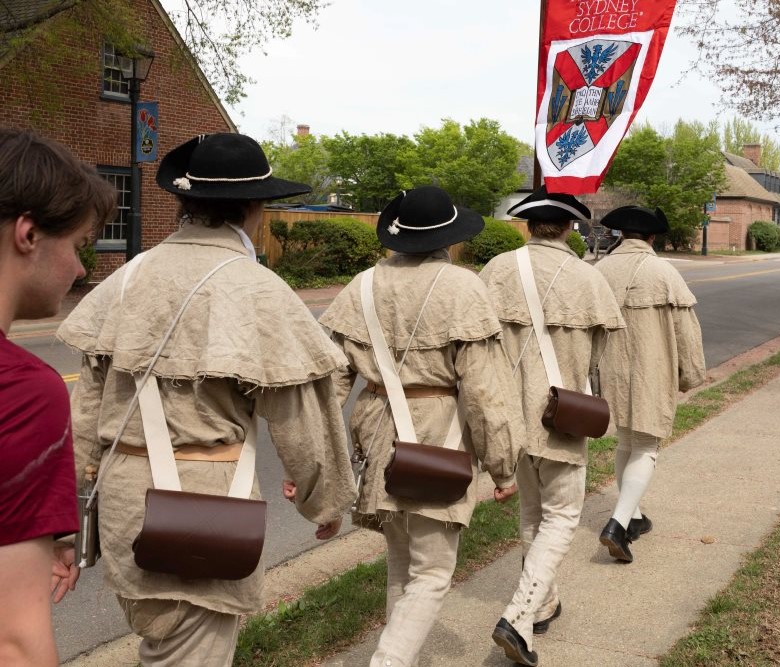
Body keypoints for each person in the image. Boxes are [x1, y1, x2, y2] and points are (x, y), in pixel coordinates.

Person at [56, 133, 356, 666]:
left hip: (126, 506)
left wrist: (72, 518)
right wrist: (325, 501)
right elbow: (303, 421)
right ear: (254, 209)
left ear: (183, 203)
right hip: (205, 513)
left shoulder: (126, 280)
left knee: (162, 647)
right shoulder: (257, 288)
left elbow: (87, 415)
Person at [319, 185, 524, 667]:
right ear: (449, 238)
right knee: (432, 572)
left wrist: (324, 456)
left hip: (376, 429)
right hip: (439, 433)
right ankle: (388, 662)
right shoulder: (463, 287)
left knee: (400, 562)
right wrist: (503, 466)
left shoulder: (362, 285)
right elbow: (484, 392)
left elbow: (332, 382)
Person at [480, 185, 624, 667]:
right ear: (570, 228)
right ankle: (518, 617)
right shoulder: (587, 278)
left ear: (527, 224)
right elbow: (599, 353)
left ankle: (541, 604)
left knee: (532, 515)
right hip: (561, 414)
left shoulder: (496, 270)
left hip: (509, 413)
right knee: (562, 516)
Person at [0, 128, 115, 667]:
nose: (80, 269)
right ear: (28, 234)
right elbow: (14, 639)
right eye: (76, 245)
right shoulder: (23, 391)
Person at [593, 206, 707, 563]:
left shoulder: (599, 271)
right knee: (646, 446)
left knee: (626, 440)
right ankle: (617, 524)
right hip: (650, 371)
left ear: (620, 235)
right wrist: (690, 374)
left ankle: (635, 518)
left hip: (608, 369)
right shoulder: (663, 271)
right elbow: (686, 332)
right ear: (652, 237)